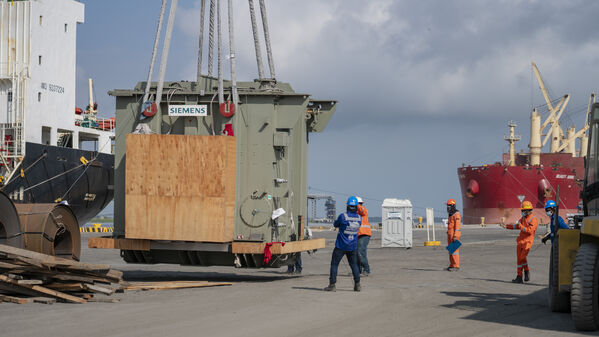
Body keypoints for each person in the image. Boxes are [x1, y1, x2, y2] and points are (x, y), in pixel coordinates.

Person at [324, 196, 362, 292]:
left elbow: (335, 224)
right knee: (354, 265)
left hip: (341, 245)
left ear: (348, 206)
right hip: (352, 246)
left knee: (334, 264)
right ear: (356, 207)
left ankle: (332, 285)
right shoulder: (359, 218)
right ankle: (357, 285)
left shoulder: (343, 216)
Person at [501, 200, 538, 283]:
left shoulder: (533, 219)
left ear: (528, 210)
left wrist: (521, 226)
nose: (522, 212)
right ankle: (519, 277)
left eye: (523, 210)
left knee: (522, 258)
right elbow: (516, 226)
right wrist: (506, 226)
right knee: (519, 260)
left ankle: (526, 271)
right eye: (522, 210)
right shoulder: (523, 218)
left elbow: (530, 231)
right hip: (520, 241)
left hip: (527, 242)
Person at [356, 196, 372, 276]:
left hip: (364, 234)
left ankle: (366, 269)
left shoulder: (363, 210)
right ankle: (359, 270)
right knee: (357, 253)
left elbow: (362, 211)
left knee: (360, 252)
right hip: (358, 235)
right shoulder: (355, 213)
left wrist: (356, 204)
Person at [446, 199, 461, 272]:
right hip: (450, 235)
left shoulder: (456, 214)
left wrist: (456, 236)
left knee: (455, 251)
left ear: (452, 206)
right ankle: (451, 265)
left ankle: (456, 265)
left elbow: (457, 227)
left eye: (448, 206)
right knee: (451, 250)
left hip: (454, 235)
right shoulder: (451, 214)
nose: (447, 207)